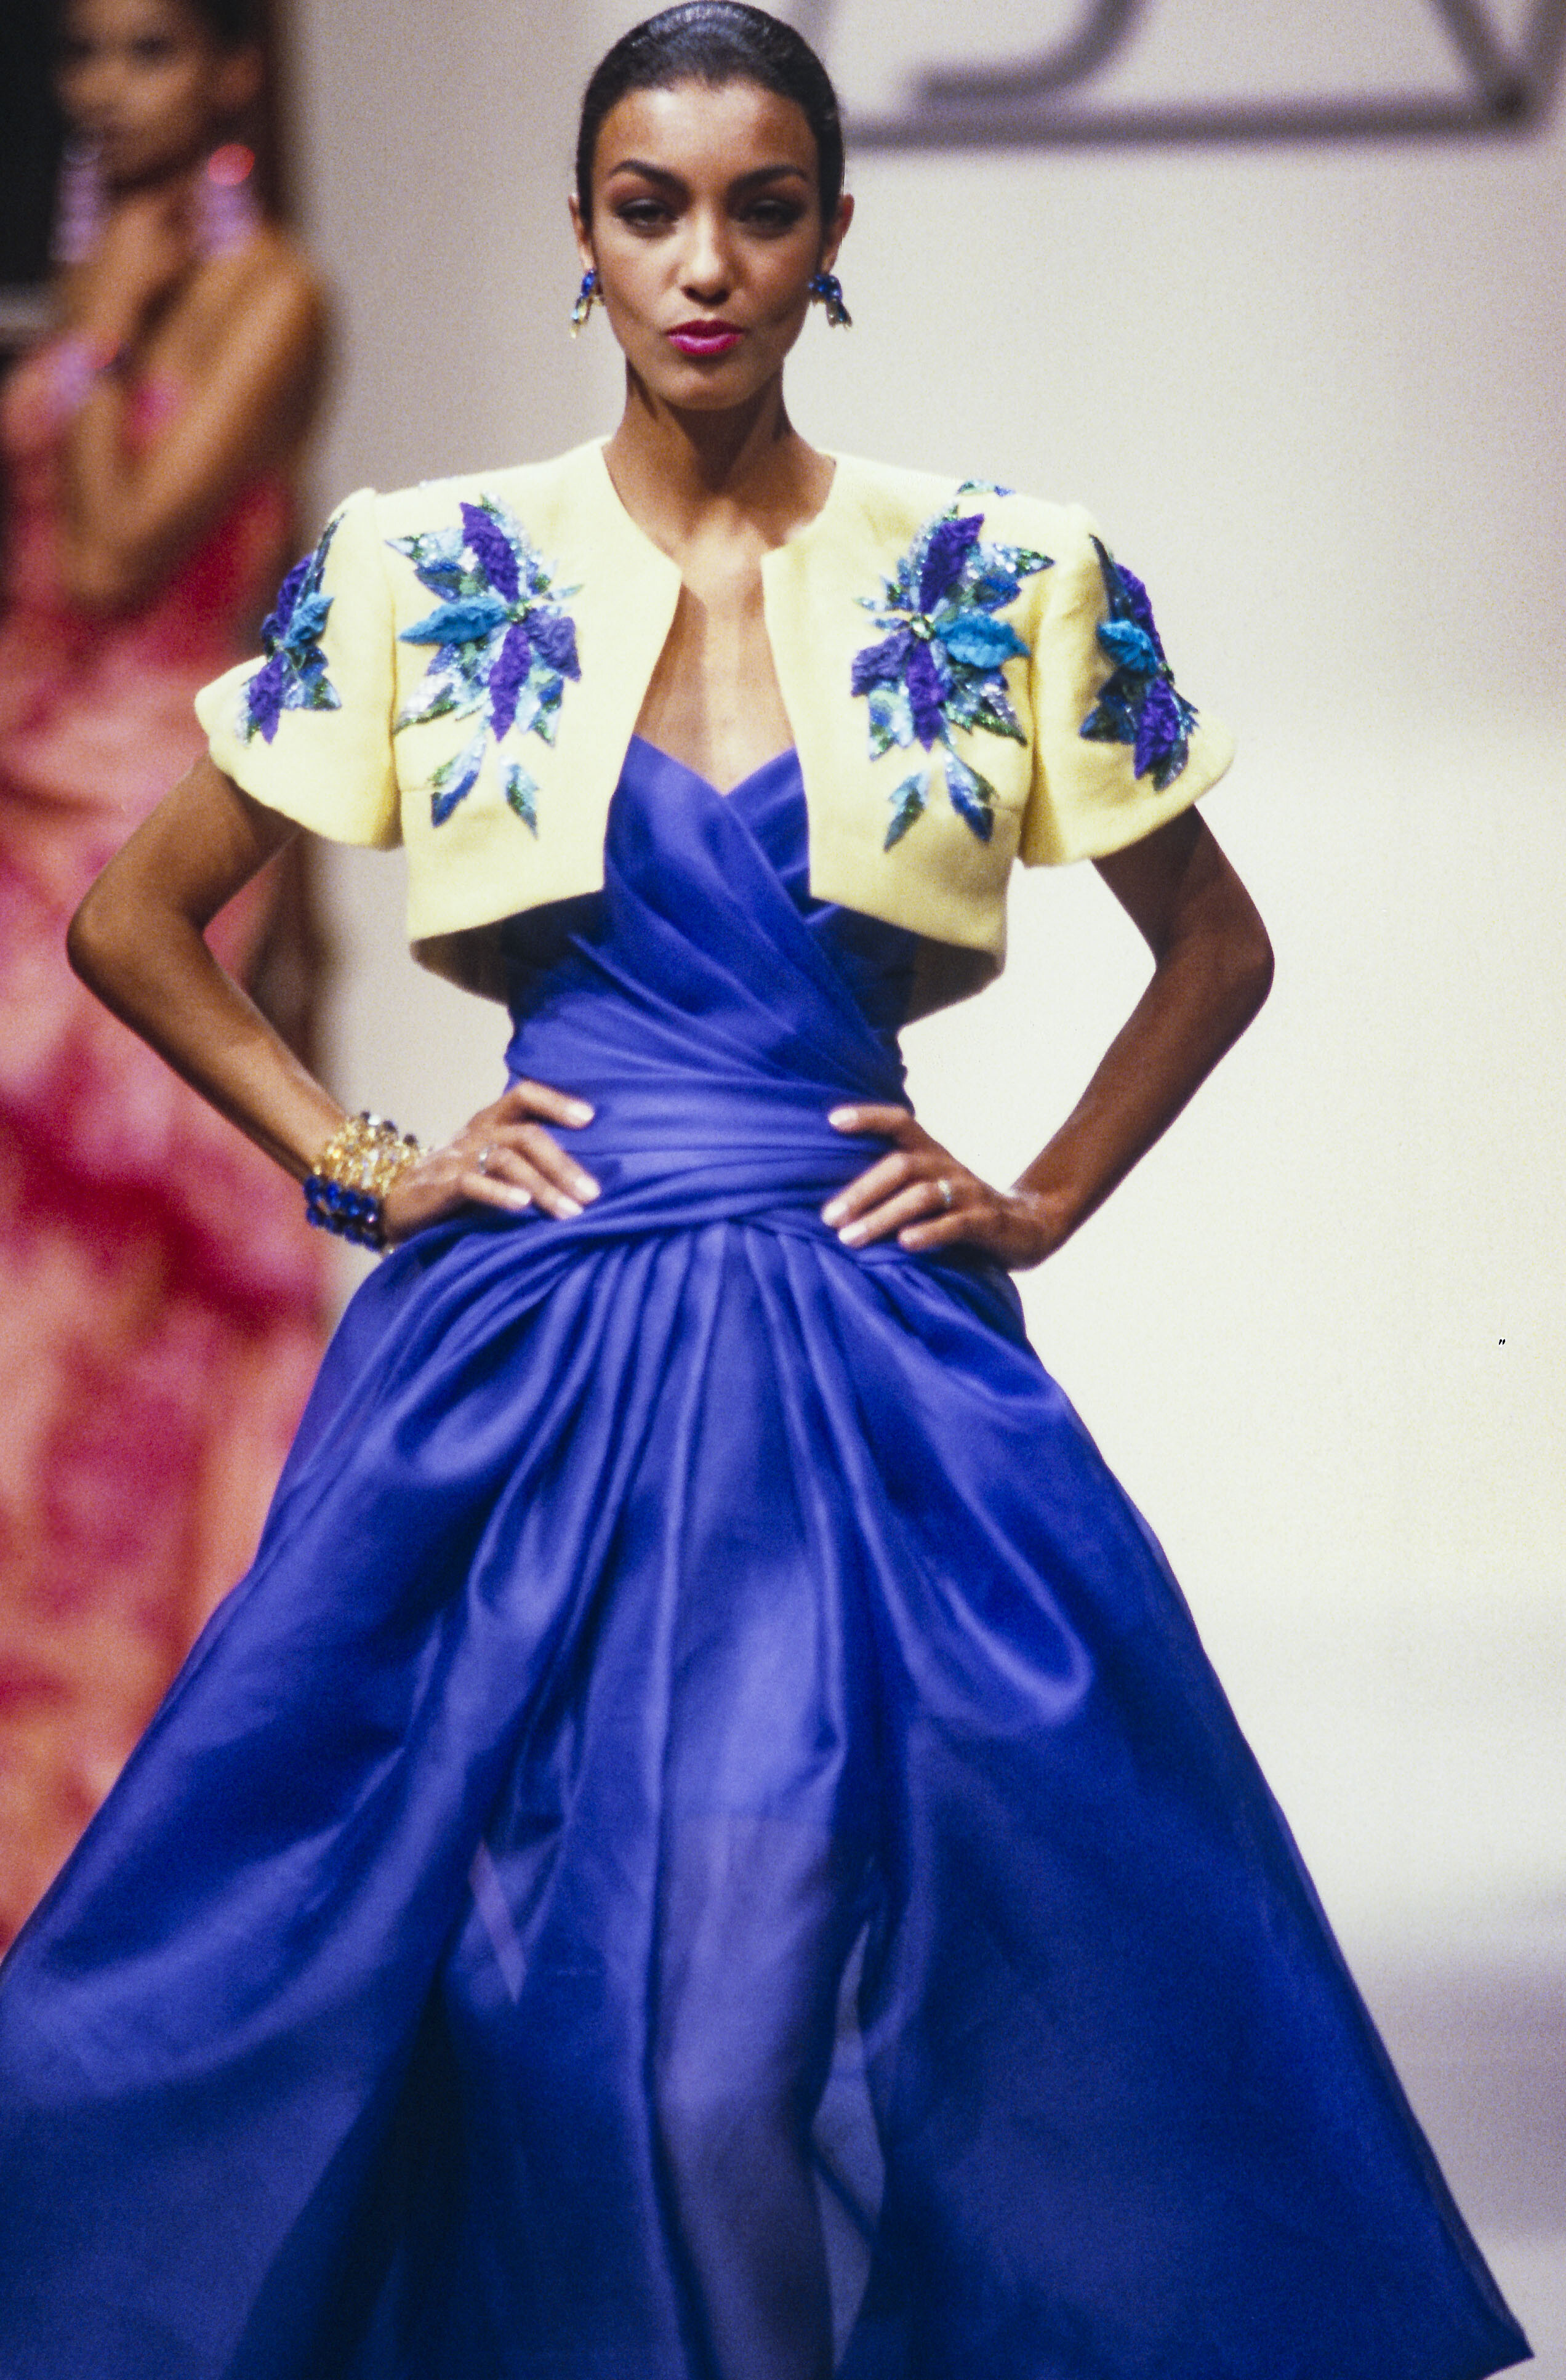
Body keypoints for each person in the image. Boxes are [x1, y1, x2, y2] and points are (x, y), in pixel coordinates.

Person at [0, 7, 1531, 2376]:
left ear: (833, 237)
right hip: (527, 1345)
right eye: (650, 208)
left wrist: (1042, 1194)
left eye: (762, 207)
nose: (703, 263)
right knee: (458, 1976)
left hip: (860, 1350)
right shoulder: (427, 565)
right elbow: (131, 916)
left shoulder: (1002, 570)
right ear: (582, 236)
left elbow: (1219, 947)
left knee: (812, 1993)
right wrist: (364, 1161)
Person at [0, 0, 329, 1945]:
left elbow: (126, 560)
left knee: (129, 1314)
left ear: (228, 76)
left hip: (145, 826)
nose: (101, 91)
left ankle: (142, 1824)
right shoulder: (106, 280)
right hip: (21, 783)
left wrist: (99, 338)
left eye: (145, 53)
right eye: (81, 56)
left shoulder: (269, 295)